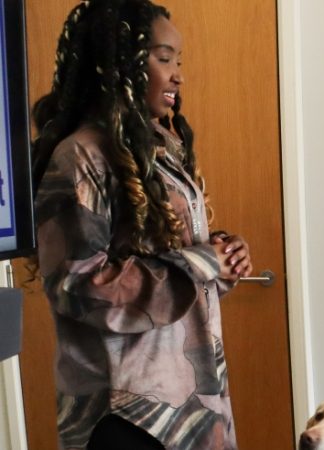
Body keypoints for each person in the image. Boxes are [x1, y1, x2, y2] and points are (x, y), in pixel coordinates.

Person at [30, 1, 252, 448]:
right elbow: (80, 288)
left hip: (191, 405)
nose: (177, 75)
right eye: (164, 58)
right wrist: (199, 262)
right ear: (118, 65)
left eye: (178, 62)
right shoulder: (80, 159)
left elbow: (169, 252)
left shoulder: (158, 149)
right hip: (127, 418)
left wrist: (222, 254)